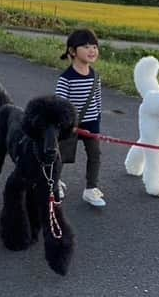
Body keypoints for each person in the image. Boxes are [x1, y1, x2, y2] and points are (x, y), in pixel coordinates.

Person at [55, 28, 105, 207]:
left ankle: (91, 189)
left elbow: (98, 101)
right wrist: (67, 125)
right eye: (86, 46)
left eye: (94, 46)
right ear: (72, 51)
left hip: (92, 124)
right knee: (60, 155)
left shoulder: (95, 77)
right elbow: (60, 105)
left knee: (95, 155)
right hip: (71, 126)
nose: (92, 50)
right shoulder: (66, 78)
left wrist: (98, 120)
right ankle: (55, 183)